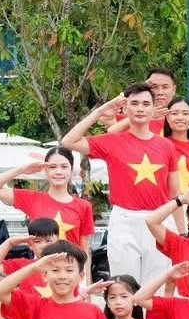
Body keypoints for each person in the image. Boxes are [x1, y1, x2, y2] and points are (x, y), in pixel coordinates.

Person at [60, 87, 178, 285]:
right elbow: (68, 141)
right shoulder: (112, 141)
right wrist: (98, 112)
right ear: (125, 108)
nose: (140, 109)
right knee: (124, 285)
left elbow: (176, 192)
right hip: (124, 220)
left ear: (153, 109)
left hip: (160, 219)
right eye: (134, 103)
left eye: (145, 104)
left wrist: (182, 232)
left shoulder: (166, 146)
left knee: (155, 287)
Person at [0, 149, 94, 247]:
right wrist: (21, 170)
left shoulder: (83, 206)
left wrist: (85, 275)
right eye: (52, 167)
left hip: (70, 270)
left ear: (71, 170)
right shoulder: (32, 199)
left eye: (64, 167)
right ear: (45, 171)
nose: (58, 172)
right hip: (39, 269)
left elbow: (84, 250)